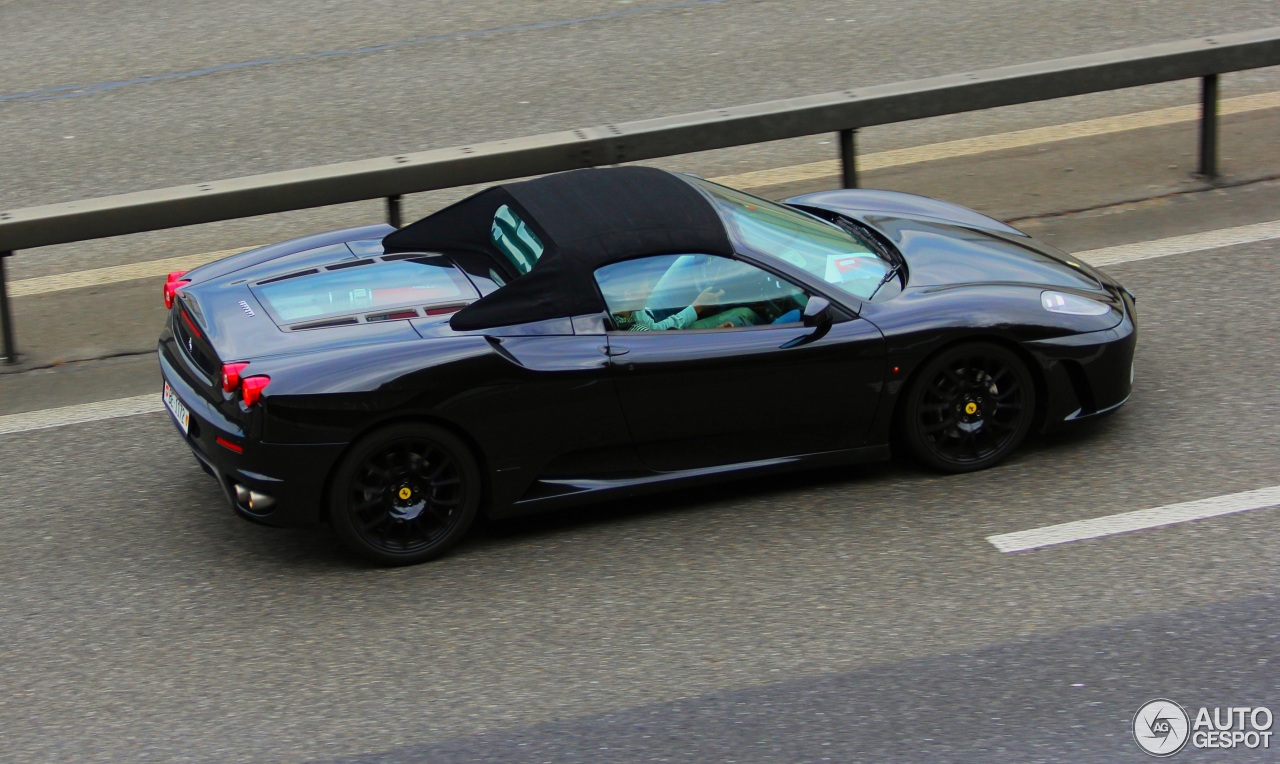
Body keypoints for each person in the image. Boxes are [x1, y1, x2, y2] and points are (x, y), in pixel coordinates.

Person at [611, 286, 761, 331]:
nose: (649, 291)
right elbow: (667, 343)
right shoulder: (633, 329)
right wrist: (714, 334)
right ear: (627, 293)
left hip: (667, 336)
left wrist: (697, 307)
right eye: (645, 287)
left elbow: (656, 329)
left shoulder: (631, 312)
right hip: (672, 344)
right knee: (743, 315)